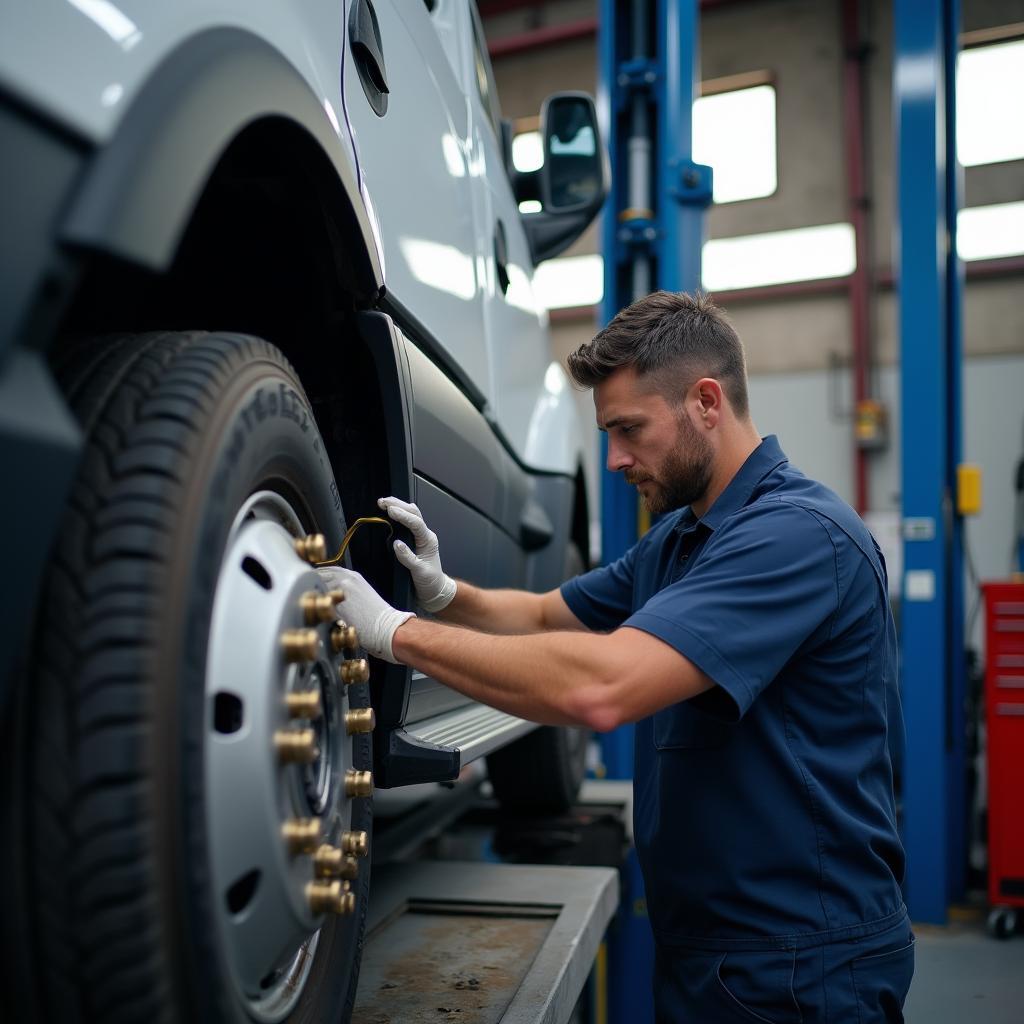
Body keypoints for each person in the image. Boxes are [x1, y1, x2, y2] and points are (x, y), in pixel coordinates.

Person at [323, 291, 914, 1022]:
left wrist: (393, 633)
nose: (616, 460)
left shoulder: (796, 537)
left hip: (800, 962)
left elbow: (602, 689)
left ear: (705, 402)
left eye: (629, 430)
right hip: (713, 948)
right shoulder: (679, 538)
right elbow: (545, 614)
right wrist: (444, 594)